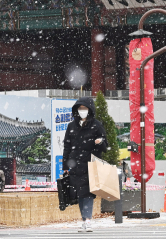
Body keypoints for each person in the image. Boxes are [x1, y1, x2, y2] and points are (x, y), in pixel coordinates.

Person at [62, 97, 108, 233]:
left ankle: (87, 220)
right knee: (80, 194)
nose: (82, 111)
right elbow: (67, 146)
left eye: (85, 109)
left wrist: (100, 142)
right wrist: (65, 166)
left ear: (90, 110)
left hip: (91, 165)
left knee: (88, 193)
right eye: (80, 109)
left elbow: (105, 146)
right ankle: (84, 219)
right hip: (75, 165)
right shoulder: (71, 126)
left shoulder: (97, 125)